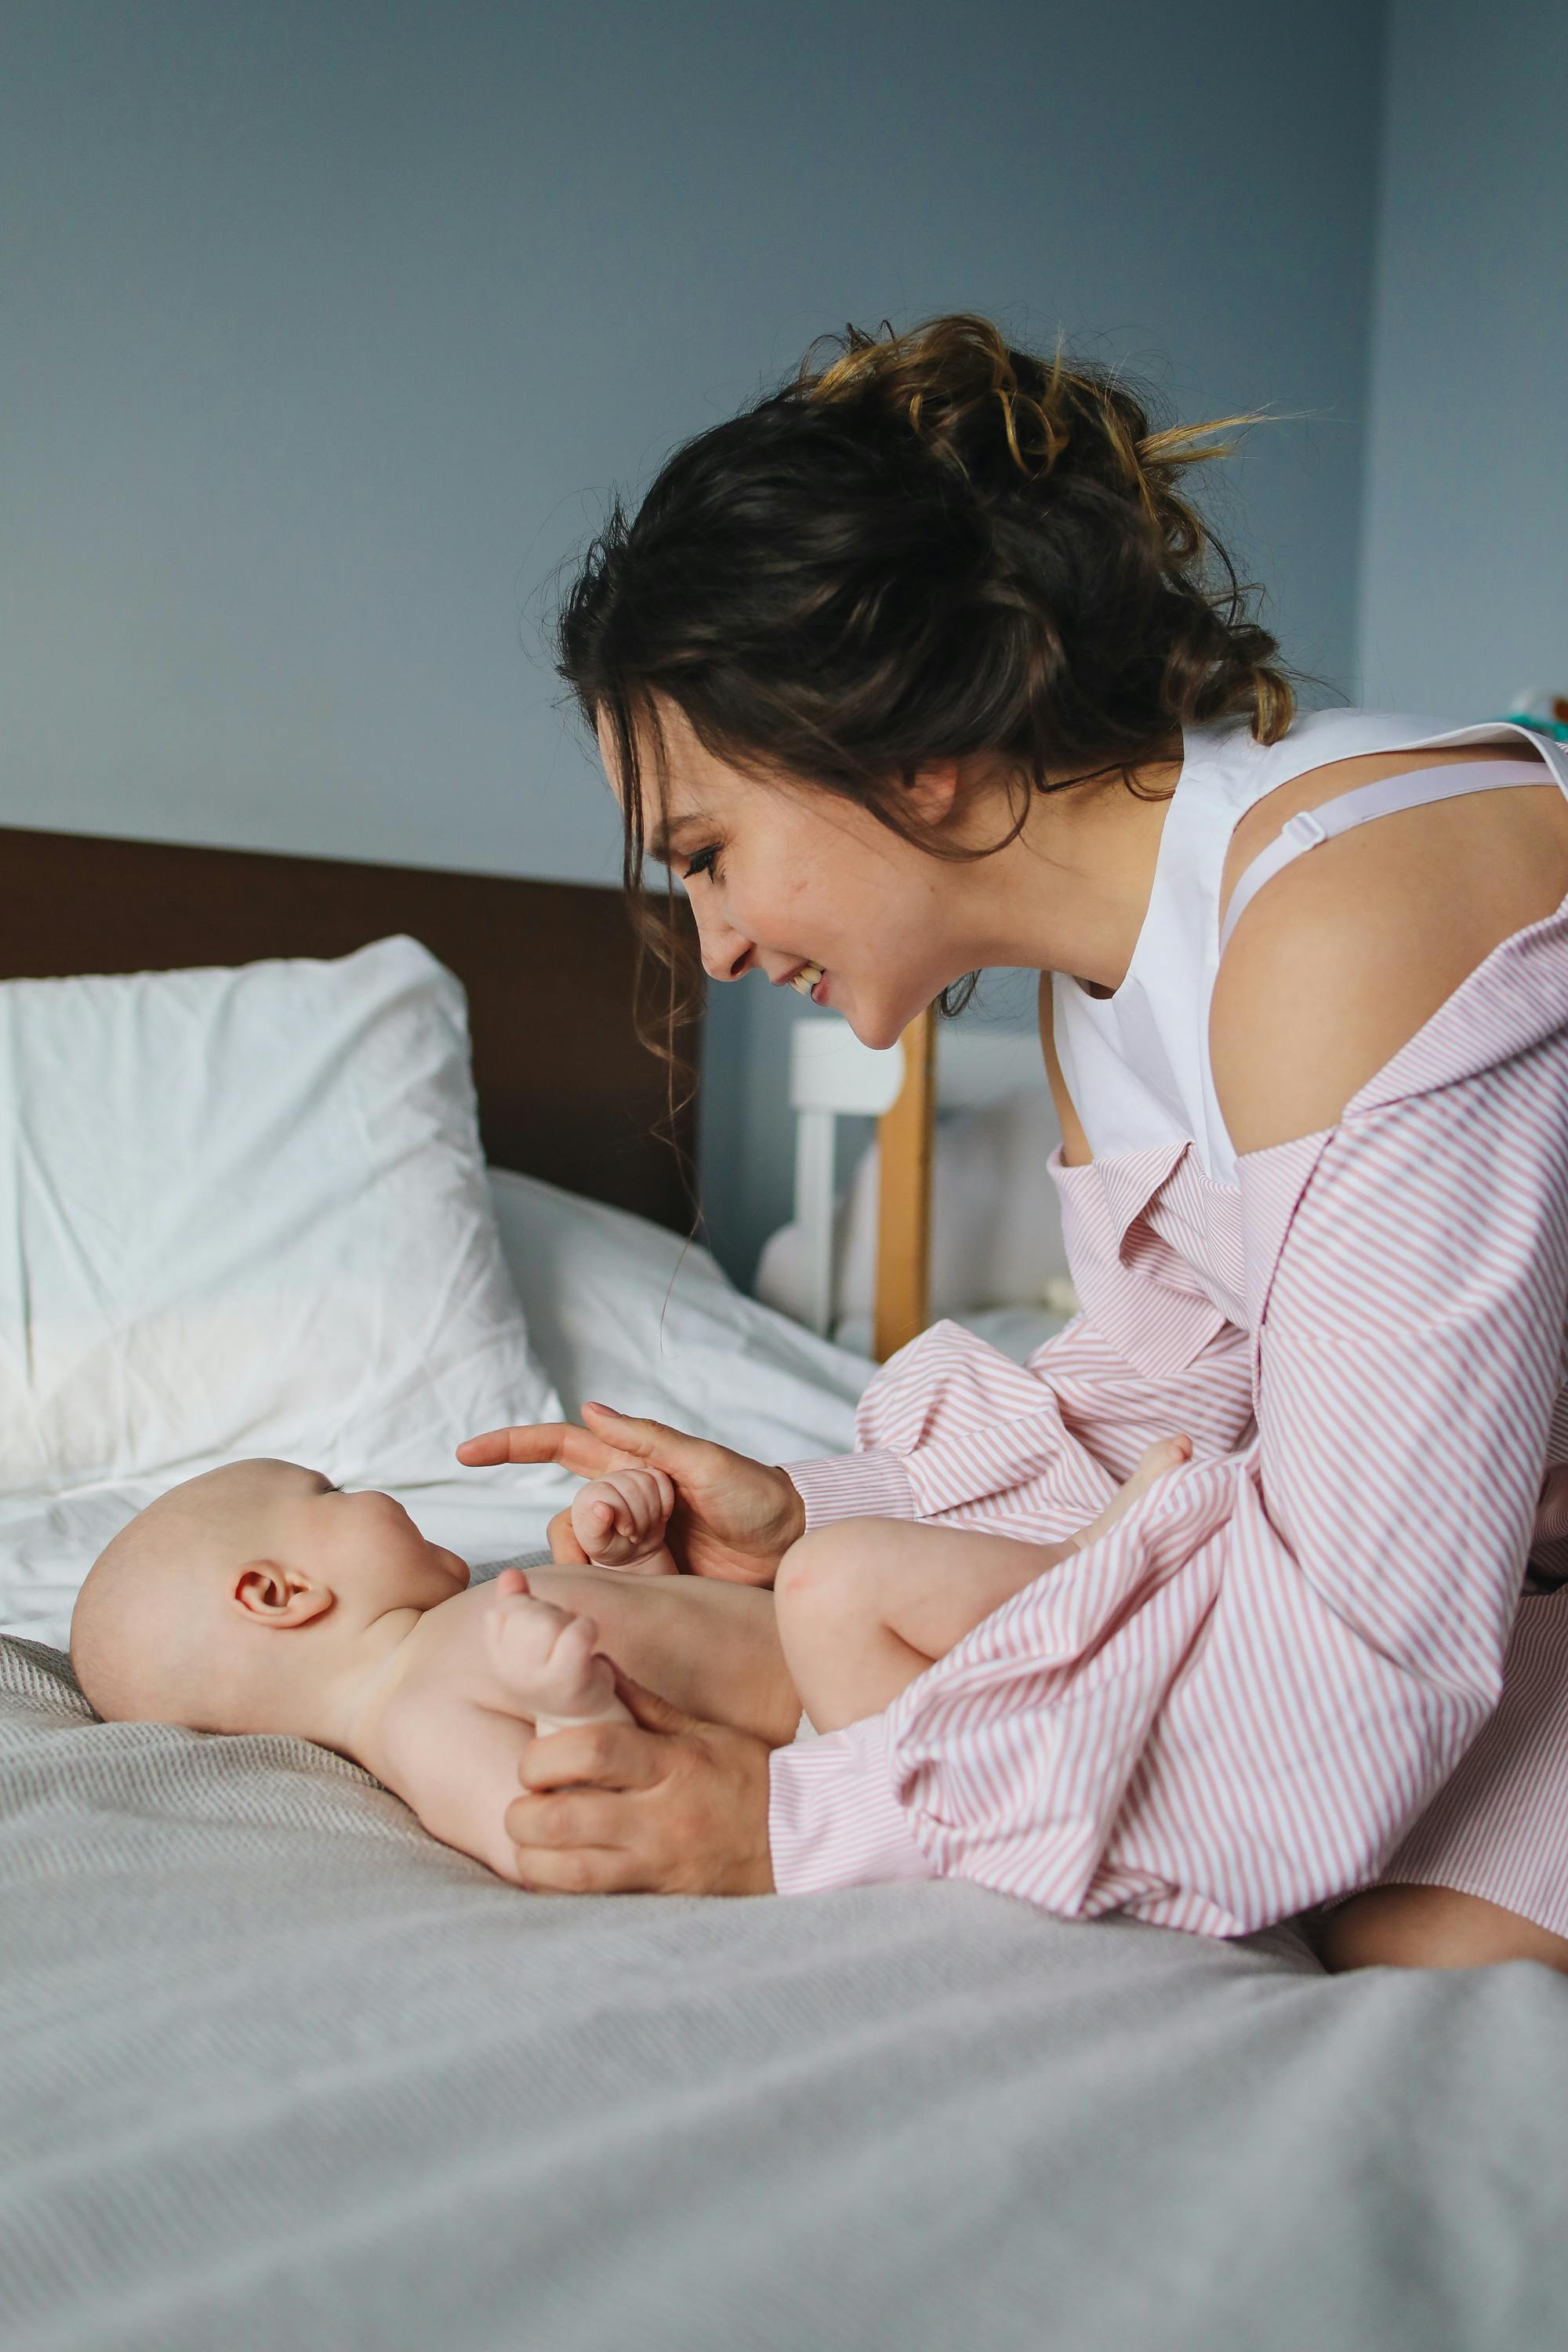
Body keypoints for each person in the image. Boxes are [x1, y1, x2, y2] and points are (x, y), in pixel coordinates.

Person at [459, 313, 1568, 1973]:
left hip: (1446, 1597)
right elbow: (1169, 1418)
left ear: (900, 752)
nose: (719, 949)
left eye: (707, 852)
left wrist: (802, 1832)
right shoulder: (1104, 985)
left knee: (1421, 1955)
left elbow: (1363, 1657)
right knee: (1330, 1899)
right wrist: (813, 1521)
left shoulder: (1341, 911)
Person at [69, 1444, 1181, 1882]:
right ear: (280, 1594)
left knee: (828, 1584)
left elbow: (686, 1670)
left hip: (855, 1698)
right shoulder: (411, 1715)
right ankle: (1083, 1575)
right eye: (325, 1495)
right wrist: (568, 1705)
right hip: (850, 1741)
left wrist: (643, 1571)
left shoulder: (454, 1629)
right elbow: (544, 1825)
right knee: (831, 1582)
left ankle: (1074, 1589)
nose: (367, 1491)